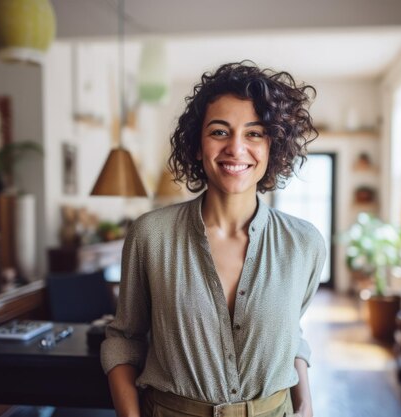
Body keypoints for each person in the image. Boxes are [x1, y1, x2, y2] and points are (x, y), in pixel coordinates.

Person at [101, 61, 326, 417]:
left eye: (254, 133)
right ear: (195, 145)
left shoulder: (304, 243)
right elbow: (124, 339)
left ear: (273, 146)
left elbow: (290, 337)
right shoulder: (151, 235)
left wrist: (306, 406)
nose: (236, 148)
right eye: (220, 132)